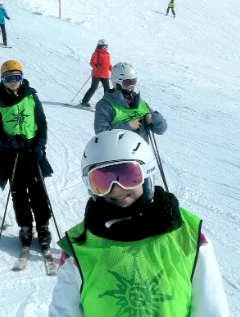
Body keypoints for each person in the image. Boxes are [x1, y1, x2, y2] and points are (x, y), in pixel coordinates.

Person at [48, 130, 230, 317]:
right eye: (102, 181)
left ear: (147, 174)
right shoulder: (79, 246)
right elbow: (64, 311)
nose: (116, 189)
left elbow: (212, 309)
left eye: (127, 175)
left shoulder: (188, 235)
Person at [0, 60, 54, 250]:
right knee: (18, 192)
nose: (13, 82)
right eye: (9, 78)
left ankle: (43, 227)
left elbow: (41, 122)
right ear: (2, 80)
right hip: (12, 153)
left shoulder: (31, 96)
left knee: (38, 191)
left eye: (17, 77)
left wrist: (40, 145)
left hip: (32, 150)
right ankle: (25, 226)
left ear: (22, 78)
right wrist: (8, 141)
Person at [94, 62, 166, 144]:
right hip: (117, 154)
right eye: (127, 83)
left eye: (133, 82)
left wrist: (154, 119)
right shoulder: (105, 105)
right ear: (117, 83)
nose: (131, 86)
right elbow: (101, 135)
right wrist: (127, 126)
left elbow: (161, 130)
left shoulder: (140, 102)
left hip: (141, 154)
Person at [79, 39, 111, 108]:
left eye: (106, 47)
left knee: (107, 90)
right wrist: (95, 65)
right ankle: (84, 101)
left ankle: (106, 104)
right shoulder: (96, 53)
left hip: (105, 75)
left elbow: (108, 65)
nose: (105, 48)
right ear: (99, 46)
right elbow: (92, 62)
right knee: (93, 88)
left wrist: (113, 70)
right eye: (104, 47)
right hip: (97, 74)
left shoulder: (107, 54)